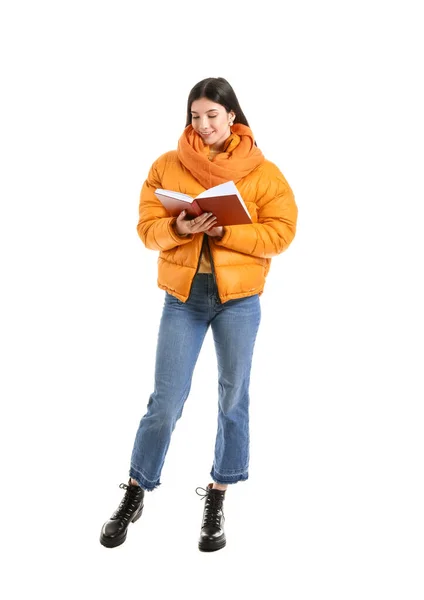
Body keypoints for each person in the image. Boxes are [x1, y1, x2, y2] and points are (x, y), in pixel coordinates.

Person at [99, 77, 298, 552]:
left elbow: (282, 233)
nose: (203, 124)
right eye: (195, 115)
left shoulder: (264, 172)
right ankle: (135, 490)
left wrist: (229, 234)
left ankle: (218, 493)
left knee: (233, 398)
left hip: (239, 301)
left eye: (213, 114)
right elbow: (147, 229)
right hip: (183, 299)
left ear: (233, 116)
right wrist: (178, 227)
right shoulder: (167, 166)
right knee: (165, 400)